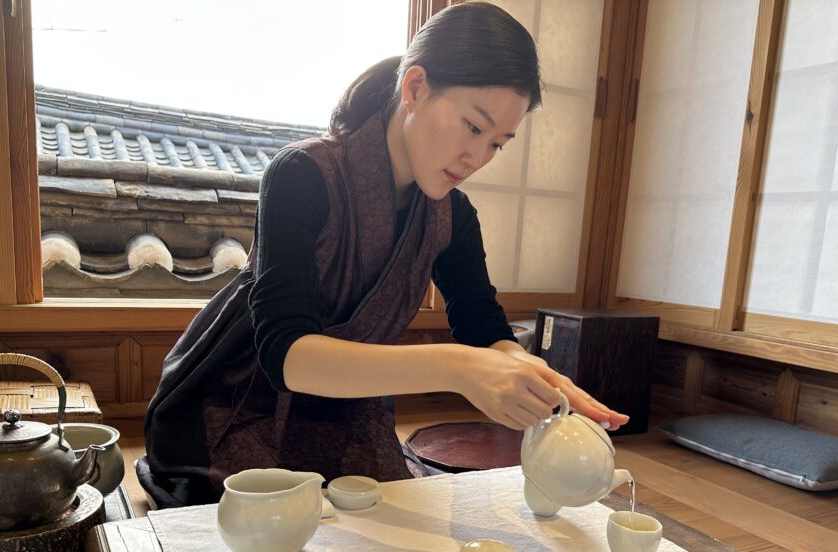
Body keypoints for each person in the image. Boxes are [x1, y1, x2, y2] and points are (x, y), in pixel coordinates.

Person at [142, 1, 628, 509]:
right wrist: (459, 369)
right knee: (263, 516)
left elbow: (483, 327)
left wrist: (538, 379)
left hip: (348, 409)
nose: (477, 158)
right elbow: (287, 355)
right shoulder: (300, 174)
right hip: (238, 397)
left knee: (378, 514)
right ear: (415, 87)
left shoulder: (453, 216)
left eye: (497, 144)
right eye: (472, 126)